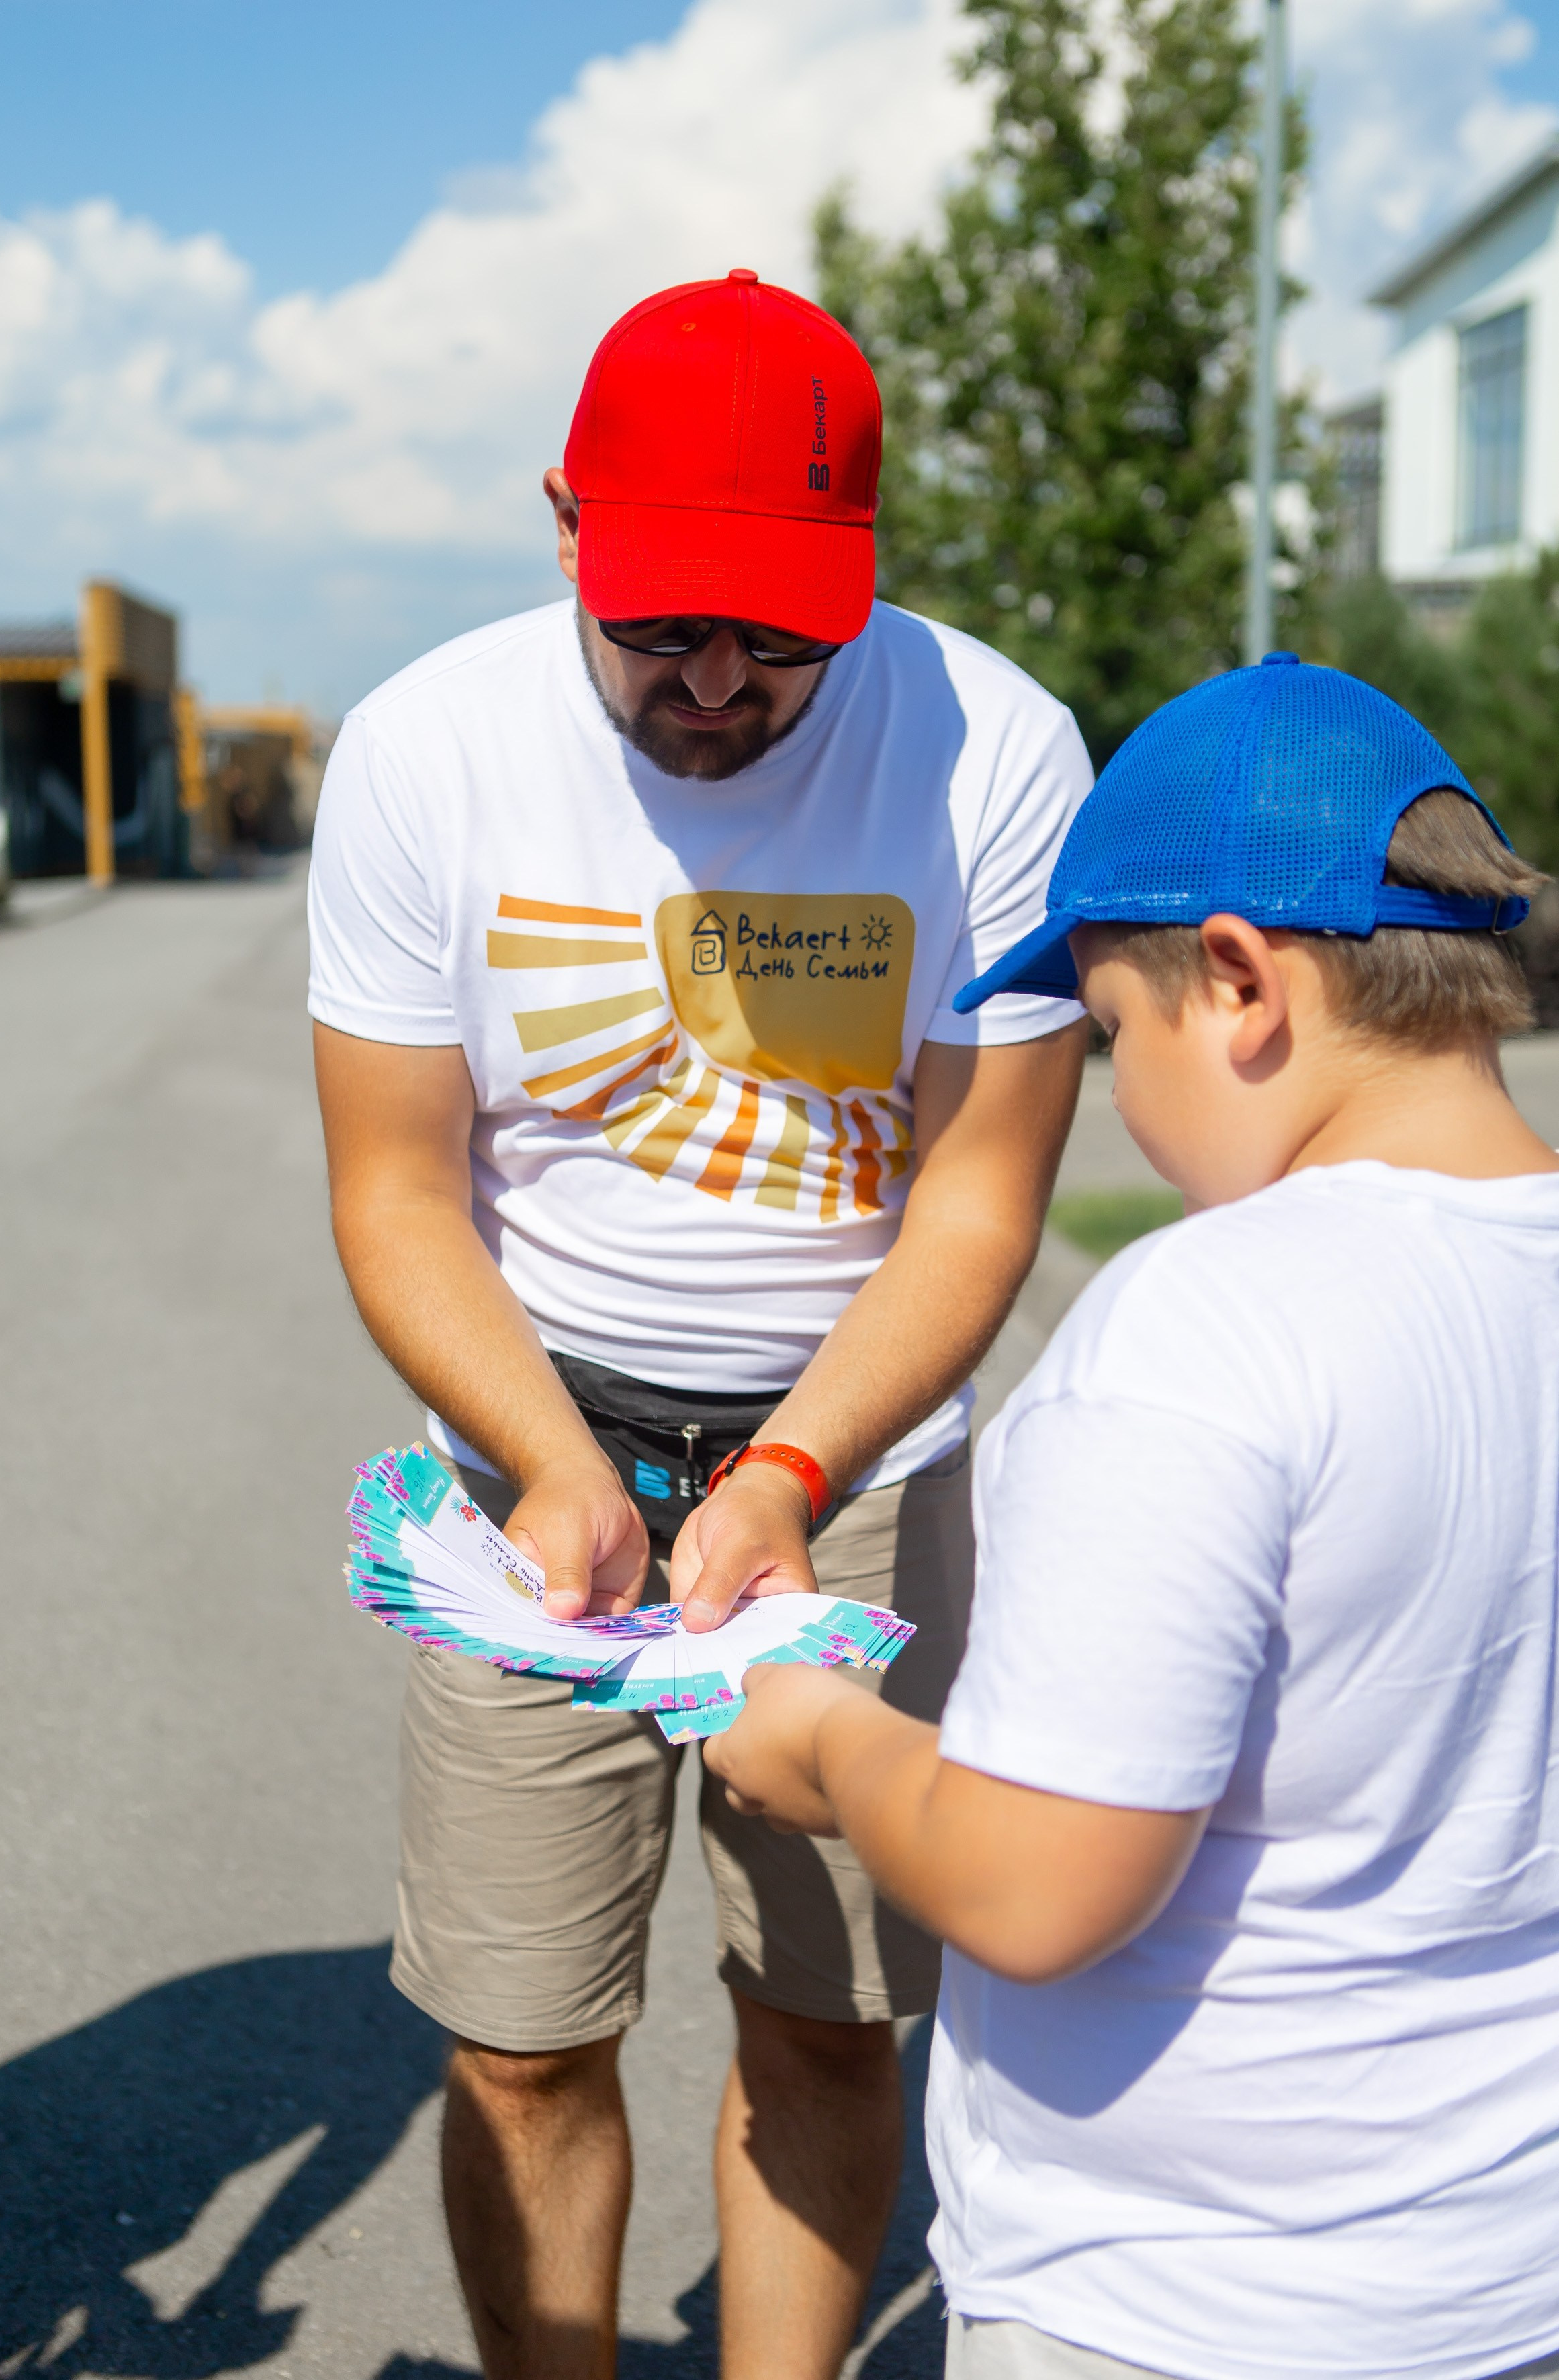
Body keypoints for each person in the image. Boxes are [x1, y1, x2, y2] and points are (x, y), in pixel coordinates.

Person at [306, 267, 1093, 2380]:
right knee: (520, 2039)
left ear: (867, 566)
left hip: (852, 1466)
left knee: (828, 2026)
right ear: (566, 521)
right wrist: (561, 1467)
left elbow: (981, 1191)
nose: (724, 683)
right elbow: (395, 1186)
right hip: (534, 1440)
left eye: (781, 630)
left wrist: (783, 1472)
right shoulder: (426, 750)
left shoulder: (994, 749)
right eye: (664, 625)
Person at [707, 653, 1559, 2380]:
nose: (1120, 1097)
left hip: (1182, 2303)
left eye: (1106, 1034)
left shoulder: (1203, 1322)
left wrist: (816, 1735)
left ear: (1237, 983)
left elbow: (1034, 1884)